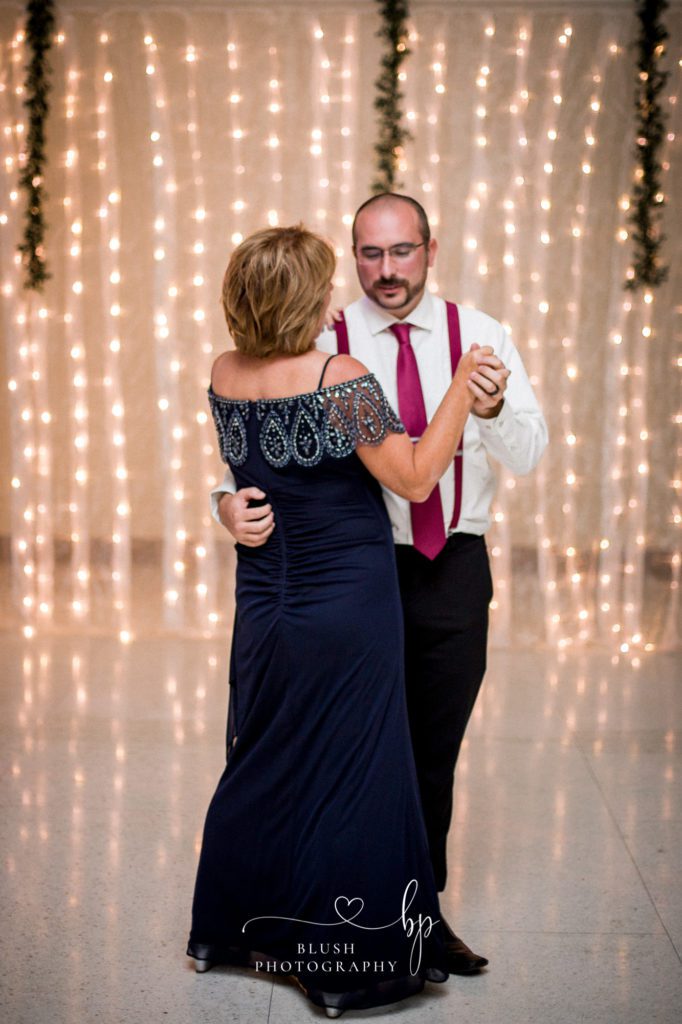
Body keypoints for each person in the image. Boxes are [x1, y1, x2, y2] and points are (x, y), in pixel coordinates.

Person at [211, 194, 548, 975]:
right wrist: (223, 504)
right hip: (350, 577)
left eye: (402, 251)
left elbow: (528, 453)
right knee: (347, 750)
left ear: (431, 249)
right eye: (370, 253)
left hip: (450, 567)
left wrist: (492, 407)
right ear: (351, 256)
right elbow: (252, 455)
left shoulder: (482, 334)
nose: (387, 269)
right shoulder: (318, 341)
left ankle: (415, 918)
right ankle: (331, 915)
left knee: (428, 753)